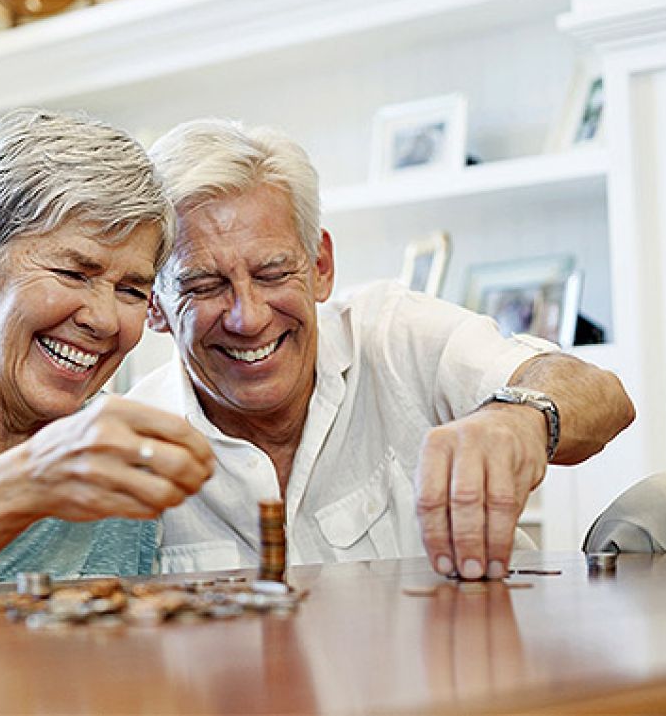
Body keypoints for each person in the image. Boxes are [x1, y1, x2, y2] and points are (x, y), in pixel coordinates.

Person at [128, 118, 636, 580]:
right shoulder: (130, 447)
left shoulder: (395, 334)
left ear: (321, 267)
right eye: (203, 286)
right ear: (154, 304)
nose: (249, 317)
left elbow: (604, 398)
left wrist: (518, 418)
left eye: (274, 273)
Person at [0, 109, 214, 588]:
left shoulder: (123, 459)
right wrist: (32, 479)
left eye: (132, 290)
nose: (104, 319)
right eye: (73, 274)